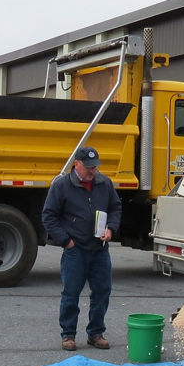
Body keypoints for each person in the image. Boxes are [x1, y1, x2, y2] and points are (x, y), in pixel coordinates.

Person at [41, 146, 122, 350]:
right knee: (71, 292)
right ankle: (68, 335)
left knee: (102, 291)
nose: (92, 171)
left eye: (95, 167)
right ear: (76, 164)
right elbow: (49, 216)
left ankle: (96, 333)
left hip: (100, 248)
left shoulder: (105, 183)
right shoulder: (61, 186)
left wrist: (110, 229)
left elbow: (115, 208)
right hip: (75, 250)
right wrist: (66, 242)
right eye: (88, 167)